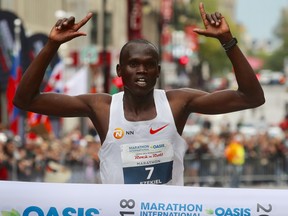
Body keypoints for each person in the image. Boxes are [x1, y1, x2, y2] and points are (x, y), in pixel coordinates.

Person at [13, 3, 265, 185]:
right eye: (133, 64)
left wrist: (227, 41)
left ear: (158, 71)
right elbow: (25, 100)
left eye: (148, 64)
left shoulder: (177, 103)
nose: (141, 70)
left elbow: (251, 97)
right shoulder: (102, 108)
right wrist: (51, 45)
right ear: (120, 70)